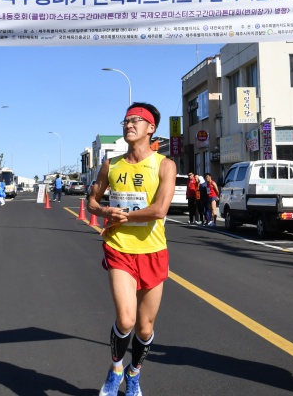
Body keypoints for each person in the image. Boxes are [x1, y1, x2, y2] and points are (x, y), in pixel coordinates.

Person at [86, 102, 175, 396]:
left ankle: (133, 373)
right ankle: (115, 370)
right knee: (126, 319)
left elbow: (160, 209)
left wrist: (124, 215)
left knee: (145, 329)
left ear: (151, 128)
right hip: (119, 247)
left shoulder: (164, 165)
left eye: (136, 120)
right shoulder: (111, 165)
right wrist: (104, 211)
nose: (129, 124)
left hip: (153, 251)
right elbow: (92, 201)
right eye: (125, 121)